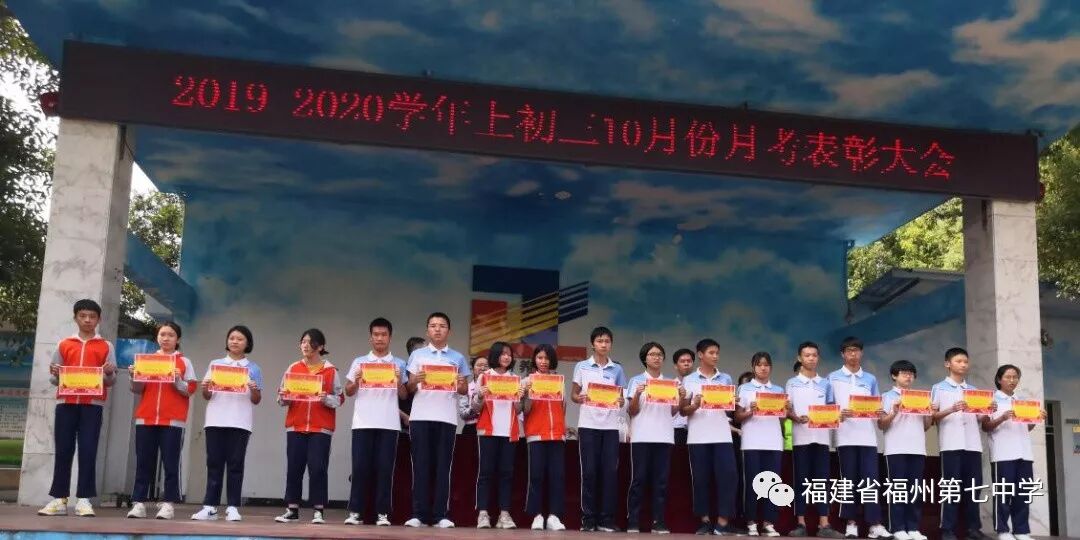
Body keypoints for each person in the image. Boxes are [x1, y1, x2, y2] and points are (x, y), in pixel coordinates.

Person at [37, 299, 118, 517]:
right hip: (66, 404)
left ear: (98, 320)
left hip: (92, 405)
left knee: (88, 450)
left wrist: (109, 372)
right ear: (75, 318)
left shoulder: (106, 346)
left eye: (92, 316)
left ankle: (84, 499)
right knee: (63, 450)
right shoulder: (64, 344)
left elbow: (111, 381)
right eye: (83, 316)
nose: (87, 320)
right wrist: (56, 374)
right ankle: (59, 499)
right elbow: (55, 379)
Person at [404, 312, 470, 528]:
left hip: (447, 418)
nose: (437, 329)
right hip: (420, 417)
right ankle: (419, 514)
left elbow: (463, 390)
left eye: (442, 326)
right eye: (433, 325)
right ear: (427, 331)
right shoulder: (417, 355)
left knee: (443, 467)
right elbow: (408, 388)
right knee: (420, 465)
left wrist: (461, 384)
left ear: (449, 331)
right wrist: (415, 380)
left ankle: (441, 515)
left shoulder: (458, 358)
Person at [192, 325, 263, 522]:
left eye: (240, 339)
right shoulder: (215, 364)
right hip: (215, 420)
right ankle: (210, 506)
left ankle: (232, 507)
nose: (235, 341)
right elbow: (207, 395)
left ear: (247, 343)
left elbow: (257, 399)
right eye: (232, 338)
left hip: (240, 422)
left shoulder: (253, 368)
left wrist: (254, 388)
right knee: (213, 463)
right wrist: (205, 387)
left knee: (235, 465)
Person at [126, 322, 197, 520]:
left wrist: (177, 380)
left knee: (171, 463)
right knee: (143, 462)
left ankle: (168, 504)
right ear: (157, 337)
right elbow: (137, 389)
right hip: (146, 418)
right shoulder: (147, 360)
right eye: (162, 334)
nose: (166, 338)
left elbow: (190, 389)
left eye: (171, 335)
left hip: (173, 420)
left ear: (178, 339)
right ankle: (138, 503)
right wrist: (133, 376)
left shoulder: (184, 362)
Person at [274, 329, 344, 524]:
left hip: (320, 428)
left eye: (310, 342)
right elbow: (281, 398)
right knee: (294, 468)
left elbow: (340, 398)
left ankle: (318, 510)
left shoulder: (331, 371)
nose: (305, 345)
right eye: (303, 341)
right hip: (295, 426)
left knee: (318, 468)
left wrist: (326, 398)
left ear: (320, 347)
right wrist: (284, 396)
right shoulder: (293, 368)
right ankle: (292, 509)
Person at [343, 318, 408, 526]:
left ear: (390, 337)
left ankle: (383, 513)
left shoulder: (399, 364)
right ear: (370, 337)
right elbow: (348, 391)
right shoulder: (359, 362)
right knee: (360, 468)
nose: (380, 338)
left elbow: (404, 395)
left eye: (384, 334)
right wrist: (357, 381)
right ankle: (356, 511)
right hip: (362, 422)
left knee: (385, 469)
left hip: (389, 423)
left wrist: (398, 381)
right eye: (376, 334)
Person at [826, 337, 890, 539]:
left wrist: (879, 411)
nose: (853, 354)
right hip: (844, 437)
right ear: (842, 354)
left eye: (856, 350)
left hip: (868, 437)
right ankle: (851, 523)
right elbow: (827, 407)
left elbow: (877, 406)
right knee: (848, 481)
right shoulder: (832, 378)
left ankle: (874, 524)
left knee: (870, 481)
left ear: (861, 353)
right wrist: (838, 413)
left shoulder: (870, 379)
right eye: (849, 350)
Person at [931, 348, 992, 540]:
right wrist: (952, 409)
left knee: (973, 488)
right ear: (947, 364)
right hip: (951, 445)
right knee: (951, 487)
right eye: (958, 361)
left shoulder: (973, 390)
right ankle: (947, 529)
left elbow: (980, 418)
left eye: (965, 361)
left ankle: (973, 529)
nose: (963, 365)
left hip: (973, 445)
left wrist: (988, 410)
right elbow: (932, 417)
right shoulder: (939, 388)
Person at [571, 326, 627, 532]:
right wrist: (580, 397)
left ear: (611, 344)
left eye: (607, 341)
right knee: (589, 472)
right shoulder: (582, 366)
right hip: (588, 425)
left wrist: (620, 401)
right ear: (593, 344)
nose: (604, 345)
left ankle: (606, 519)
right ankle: (588, 519)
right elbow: (573, 395)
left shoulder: (617, 369)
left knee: (609, 473)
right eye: (600, 341)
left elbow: (621, 398)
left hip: (610, 427)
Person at [680, 338, 737, 535]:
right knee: (701, 479)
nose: (715, 356)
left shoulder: (725, 378)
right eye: (711, 353)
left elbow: (730, 410)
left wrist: (733, 401)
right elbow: (683, 411)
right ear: (700, 355)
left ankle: (723, 521)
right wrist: (695, 405)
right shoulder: (689, 380)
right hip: (698, 436)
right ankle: (704, 520)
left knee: (728, 476)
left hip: (722, 435)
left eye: (717, 353)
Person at [786, 342, 843, 538]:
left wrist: (836, 415)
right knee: (801, 480)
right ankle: (800, 523)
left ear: (818, 358)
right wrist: (796, 417)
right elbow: (787, 409)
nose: (811, 358)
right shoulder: (792, 383)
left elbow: (831, 409)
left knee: (822, 481)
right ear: (799, 358)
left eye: (814, 355)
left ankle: (824, 524)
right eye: (807, 355)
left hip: (821, 438)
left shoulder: (826, 383)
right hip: (800, 438)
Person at [625, 342, 681, 534]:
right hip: (641, 436)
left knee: (661, 482)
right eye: (652, 354)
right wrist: (637, 394)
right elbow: (632, 411)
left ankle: (659, 521)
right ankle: (633, 520)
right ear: (645, 358)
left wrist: (681, 398)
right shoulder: (636, 381)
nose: (656, 357)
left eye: (659, 354)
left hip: (664, 436)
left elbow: (673, 411)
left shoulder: (670, 383)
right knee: (638, 480)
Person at [982, 364, 1043, 540]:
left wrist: (1036, 419)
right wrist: (1002, 417)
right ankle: (1002, 531)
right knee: (1003, 494)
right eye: (1008, 377)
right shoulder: (991, 400)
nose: (1012, 380)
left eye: (1015, 377)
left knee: (1023, 494)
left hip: (1024, 454)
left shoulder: (1021, 401)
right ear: (999, 379)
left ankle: (1021, 531)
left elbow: (1026, 428)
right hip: (1002, 455)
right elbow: (985, 426)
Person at [879, 360, 933, 540]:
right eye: (904, 373)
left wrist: (929, 413)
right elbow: (881, 424)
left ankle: (913, 528)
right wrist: (894, 411)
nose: (908, 376)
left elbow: (926, 426)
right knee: (897, 489)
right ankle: (897, 527)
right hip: (896, 449)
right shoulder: (886, 396)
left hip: (917, 448)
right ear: (894, 376)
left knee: (915, 491)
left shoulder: (921, 397)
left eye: (911, 374)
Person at [735, 352, 785, 537]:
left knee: (772, 483)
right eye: (759, 364)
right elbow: (737, 417)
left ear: (770, 367)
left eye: (766, 365)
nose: (763, 368)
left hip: (774, 442)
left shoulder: (778, 390)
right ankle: (751, 521)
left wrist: (785, 410)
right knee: (752, 483)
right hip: (751, 442)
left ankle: (769, 522)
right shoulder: (745, 389)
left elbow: (782, 419)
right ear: (753, 367)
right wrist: (751, 411)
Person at [473, 342, 522, 529]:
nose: (506, 357)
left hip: (509, 431)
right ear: (495, 356)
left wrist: (519, 397)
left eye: (509, 354)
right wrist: (480, 396)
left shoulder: (515, 379)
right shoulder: (484, 377)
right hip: (488, 430)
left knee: (506, 474)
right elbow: (475, 407)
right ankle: (483, 513)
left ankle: (504, 514)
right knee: (485, 473)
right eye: (503, 354)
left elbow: (518, 410)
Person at [521, 344, 568, 531]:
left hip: (557, 434)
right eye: (540, 358)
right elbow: (524, 410)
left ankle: (554, 516)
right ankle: (537, 515)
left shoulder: (559, 381)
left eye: (547, 358)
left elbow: (563, 408)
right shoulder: (526, 381)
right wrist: (528, 394)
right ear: (534, 360)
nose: (543, 361)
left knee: (557, 477)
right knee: (536, 476)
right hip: (536, 434)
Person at [459, 356, 489, 436]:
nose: (483, 368)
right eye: (479, 365)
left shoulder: (495, 388)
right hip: (471, 428)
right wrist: (476, 407)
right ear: (472, 368)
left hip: (489, 428)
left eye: (486, 366)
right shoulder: (467, 388)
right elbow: (463, 414)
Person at [672, 348, 695, 445]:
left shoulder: (699, 385)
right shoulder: (670, 386)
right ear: (675, 366)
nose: (686, 364)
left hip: (696, 429)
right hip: (676, 429)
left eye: (689, 361)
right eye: (682, 361)